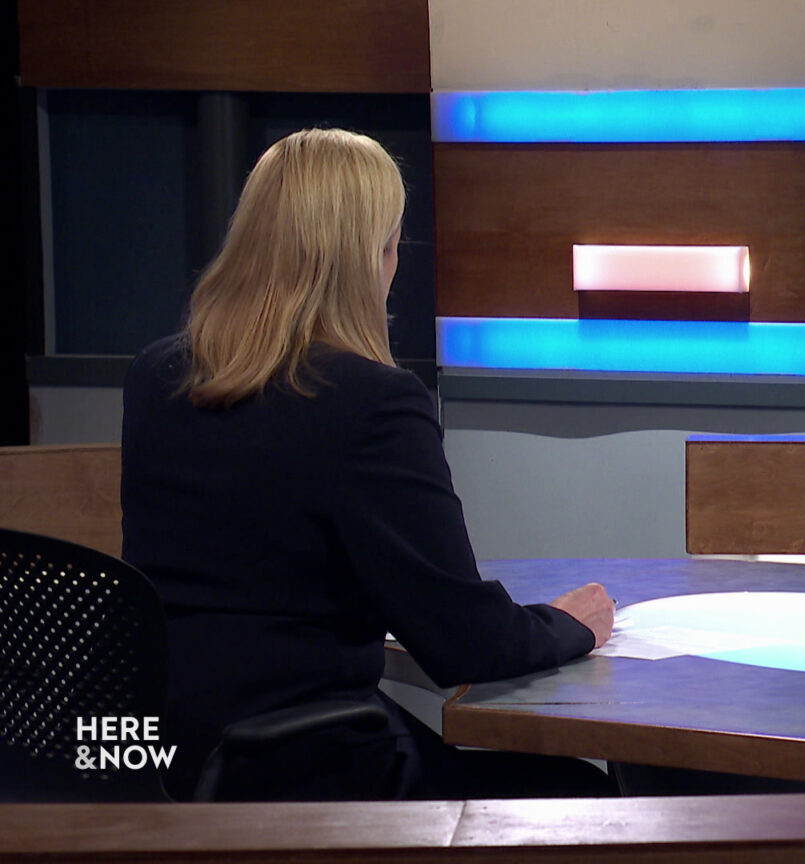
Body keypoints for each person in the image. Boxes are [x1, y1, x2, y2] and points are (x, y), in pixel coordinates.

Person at [120, 128, 617, 801]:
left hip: (158, 757)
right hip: (298, 767)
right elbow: (467, 642)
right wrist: (571, 624)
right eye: (392, 246)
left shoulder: (157, 377)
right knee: (576, 796)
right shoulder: (371, 404)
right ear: (367, 260)